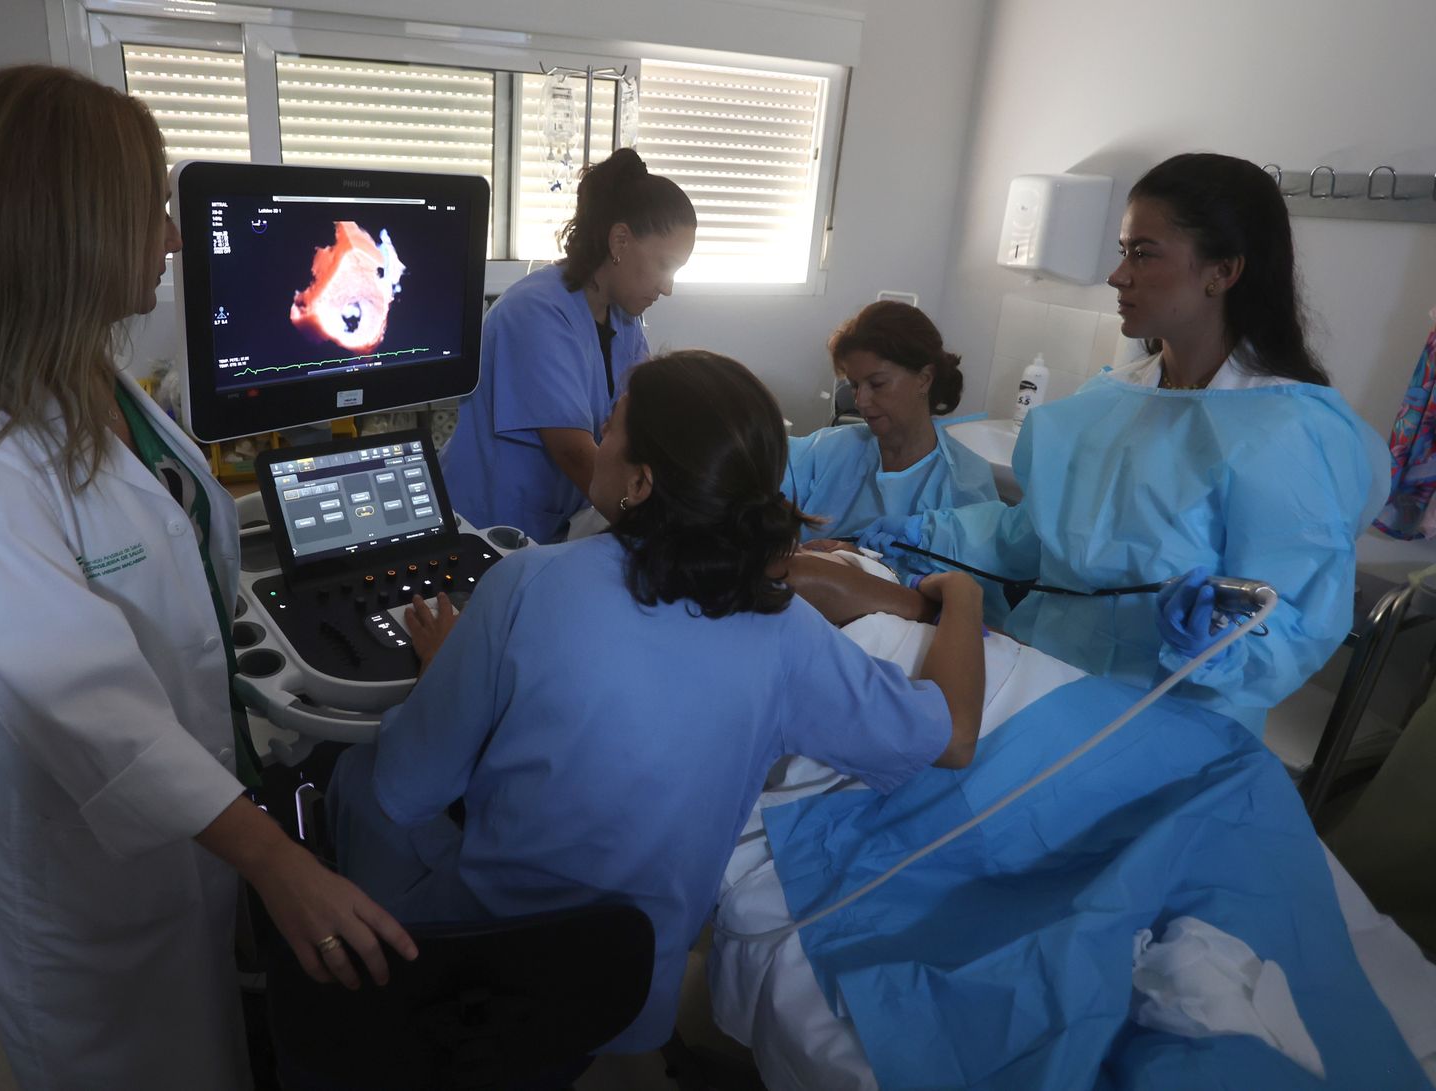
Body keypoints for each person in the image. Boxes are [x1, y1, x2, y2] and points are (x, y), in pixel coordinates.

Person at [0, 65, 415, 1089]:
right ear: (61, 228)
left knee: (208, 1039)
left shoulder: (87, 372)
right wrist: (271, 855)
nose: (171, 236)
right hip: (76, 869)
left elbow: (168, 545)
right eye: (148, 209)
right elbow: (80, 695)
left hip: (180, 822)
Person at [328, 350, 985, 1056]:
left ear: (641, 481)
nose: (596, 442)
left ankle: (351, 988)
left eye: (608, 429)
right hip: (624, 1000)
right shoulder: (787, 630)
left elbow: (407, 789)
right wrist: (966, 600)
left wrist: (442, 669)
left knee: (358, 777)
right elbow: (952, 737)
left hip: (480, 972)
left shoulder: (526, 583)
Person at [861, 153, 1389, 736]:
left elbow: (1295, 614)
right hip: (1041, 684)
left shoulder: (1289, 433)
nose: (1118, 275)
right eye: (1122, 251)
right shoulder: (1108, 403)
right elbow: (1032, 538)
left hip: (1173, 720)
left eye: (1143, 253)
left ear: (1223, 271)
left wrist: (1220, 640)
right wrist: (927, 536)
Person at [439, 148, 696, 543]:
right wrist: (666, 534)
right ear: (620, 241)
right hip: (487, 528)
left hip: (555, 523)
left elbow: (645, 423)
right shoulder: (534, 313)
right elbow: (576, 453)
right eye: (665, 266)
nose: (668, 287)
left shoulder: (622, 319)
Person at [785, 300, 998, 546]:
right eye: (854, 385)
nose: (861, 401)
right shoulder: (829, 450)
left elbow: (968, 579)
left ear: (924, 379)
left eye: (877, 384)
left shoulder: (964, 484)